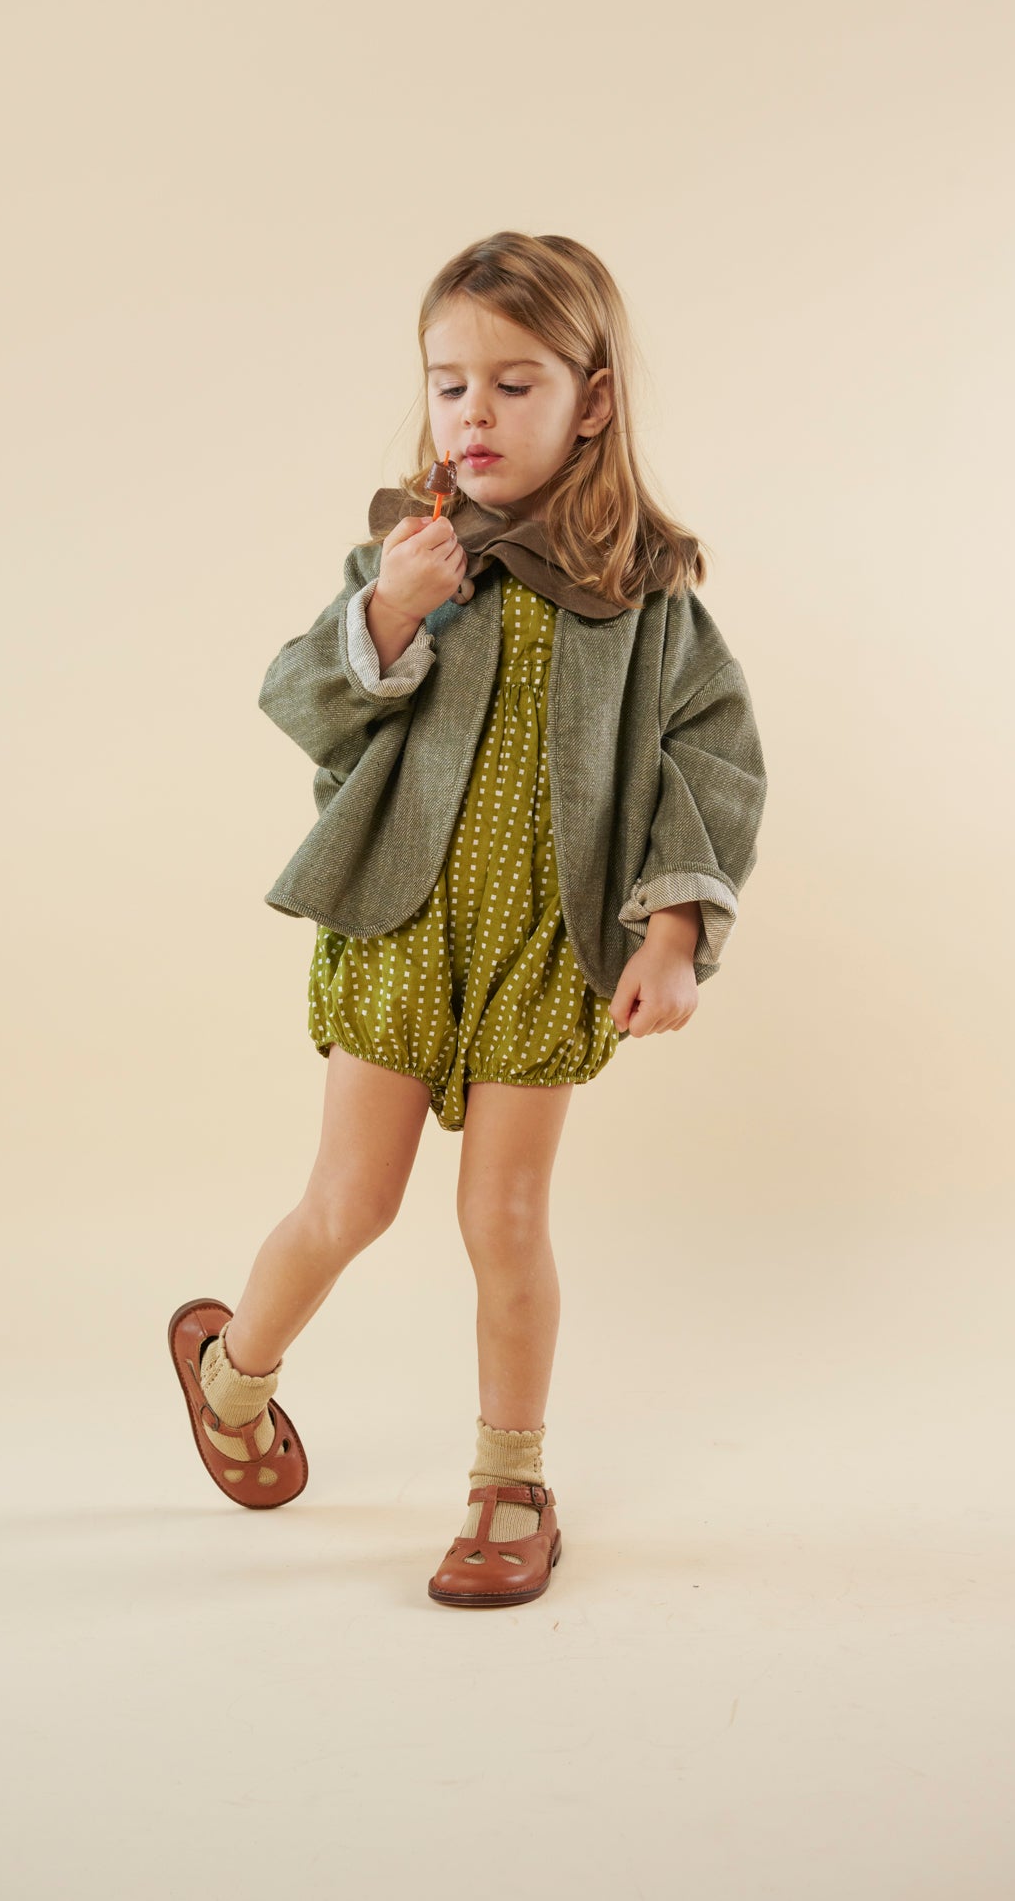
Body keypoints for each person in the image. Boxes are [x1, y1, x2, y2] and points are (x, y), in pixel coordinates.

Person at [168, 230, 768, 1609]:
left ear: (592, 400)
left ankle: (512, 1483)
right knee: (350, 1202)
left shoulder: (646, 599)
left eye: (514, 383)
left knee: (503, 1218)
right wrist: (390, 610)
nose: (474, 415)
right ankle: (230, 1373)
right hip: (401, 929)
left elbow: (714, 760)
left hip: (545, 951)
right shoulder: (409, 558)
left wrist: (675, 930)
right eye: (450, 386)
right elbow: (302, 704)